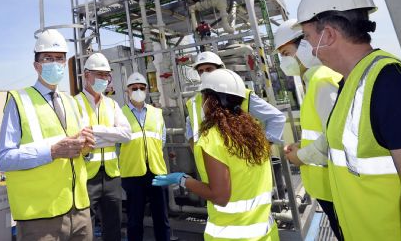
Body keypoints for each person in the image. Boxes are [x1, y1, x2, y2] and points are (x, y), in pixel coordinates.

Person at [296, 0, 401, 241]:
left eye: (309, 38)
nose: (311, 49)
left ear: (329, 35)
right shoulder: (352, 80)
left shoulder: (388, 81)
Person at [154, 69, 279, 240]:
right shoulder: (255, 134)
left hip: (230, 235)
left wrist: (182, 179)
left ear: (211, 101)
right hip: (266, 233)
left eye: (204, 97)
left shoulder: (213, 138)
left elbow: (219, 196)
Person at [0, 29, 95, 240]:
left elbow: (79, 153)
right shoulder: (18, 100)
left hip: (79, 209)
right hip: (40, 216)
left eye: (60, 58)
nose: (55, 63)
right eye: (48, 58)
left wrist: (86, 150)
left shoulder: (71, 101)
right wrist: (51, 151)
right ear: (36, 65)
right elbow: (4, 159)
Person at [274, 19, 343, 240]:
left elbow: (339, 136)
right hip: (328, 189)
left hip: (337, 189)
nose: (284, 62)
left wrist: (301, 156)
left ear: (304, 45)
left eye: (286, 53)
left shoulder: (322, 80)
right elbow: (325, 130)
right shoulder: (313, 80)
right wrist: (302, 146)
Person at [74, 52, 131, 241]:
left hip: (112, 176)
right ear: (86, 75)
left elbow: (126, 135)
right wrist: (110, 134)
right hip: (86, 177)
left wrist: (96, 130)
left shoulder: (112, 104)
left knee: (113, 228)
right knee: (85, 229)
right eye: (99, 74)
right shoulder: (75, 104)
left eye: (106, 75)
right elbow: (81, 139)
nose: (103, 79)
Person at [185, 51, 285, 153]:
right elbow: (190, 125)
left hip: (244, 162)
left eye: (209, 69)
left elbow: (276, 118)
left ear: (220, 70)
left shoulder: (240, 93)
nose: (204, 74)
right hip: (210, 164)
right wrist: (195, 149)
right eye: (200, 71)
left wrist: (263, 146)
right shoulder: (194, 102)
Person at [119, 72, 170, 241]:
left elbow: (161, 139)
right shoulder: (119, 114)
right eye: (134, 88)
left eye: (141, 88)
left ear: (147, 90)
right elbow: (117, 146)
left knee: (161, 219)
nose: (138, 91)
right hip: (133, 174)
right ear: (127, 91)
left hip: (157, 172)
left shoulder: (157, 113)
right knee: (134, 220)